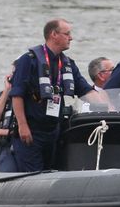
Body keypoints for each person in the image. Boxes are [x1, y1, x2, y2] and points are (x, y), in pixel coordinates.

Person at [9, 18, 95, 172]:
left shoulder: (68, 64)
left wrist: (110, 105)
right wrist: (22, 126)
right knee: (33, 176)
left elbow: (86, 91)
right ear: (54, 35)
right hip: (31, 130)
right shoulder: (28, 61)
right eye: (67, 33)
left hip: (53, 131)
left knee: (50, 172)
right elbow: (17, 95)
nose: (71, 37)